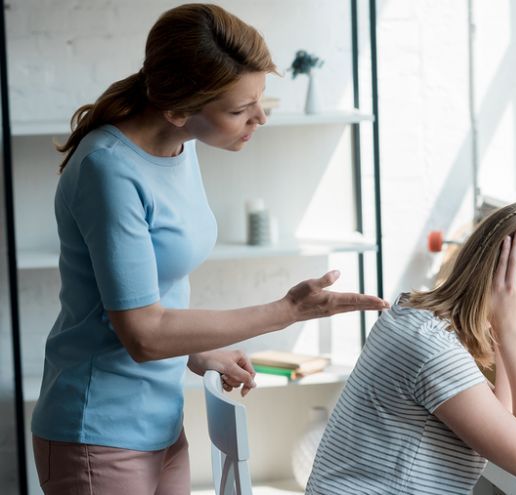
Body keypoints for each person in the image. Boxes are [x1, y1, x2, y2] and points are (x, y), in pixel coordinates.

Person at [29, 4, 387, 494]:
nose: (259, 117)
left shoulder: (181, 144)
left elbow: (153, 293)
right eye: (240, 110)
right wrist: (286, 310)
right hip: (99, 431)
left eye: (260, 100)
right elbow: (143, 333)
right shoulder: (108, 170)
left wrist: (199, 350)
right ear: (178, 110)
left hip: (161, 420)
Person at [306, 199, 516, 494]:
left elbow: (502, 421)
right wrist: (514, 332)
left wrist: (506, 332)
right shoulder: (433, 352)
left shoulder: (413, 316)